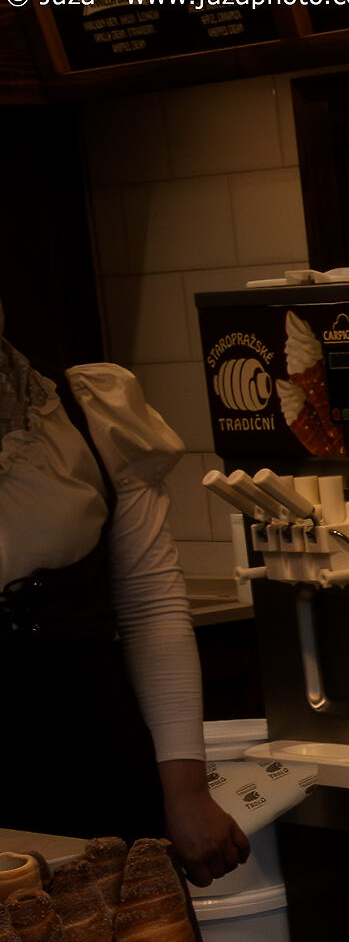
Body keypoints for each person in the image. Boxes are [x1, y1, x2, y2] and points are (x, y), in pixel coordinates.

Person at [0, 309, 248, 884]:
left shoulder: (86, 412)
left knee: (129, 935)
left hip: (88, 754)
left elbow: (152, 608)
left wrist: (187, 792)